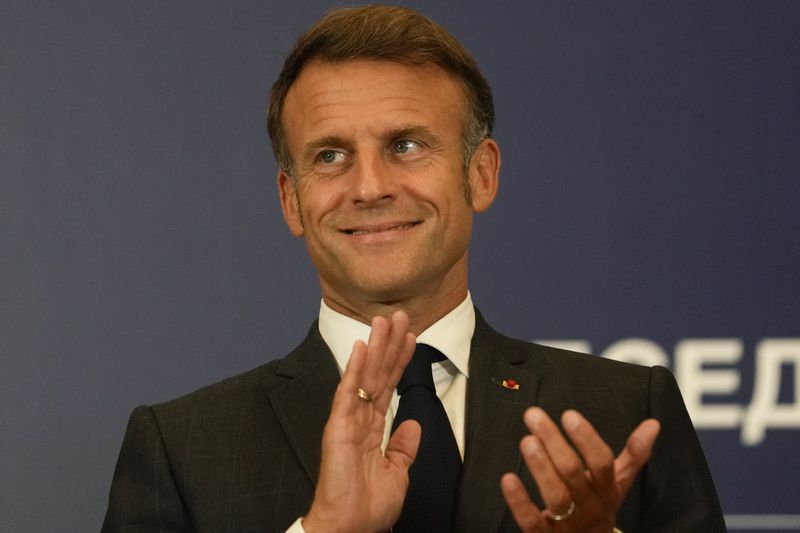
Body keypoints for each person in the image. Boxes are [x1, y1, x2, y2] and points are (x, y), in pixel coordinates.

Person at [102, 5, 725, 532]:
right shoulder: (181, 446)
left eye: (405, 145)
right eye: (331, 155)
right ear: (292, 200)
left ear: (481, 174)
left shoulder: (625, 409)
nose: (369, 186)